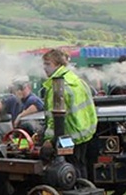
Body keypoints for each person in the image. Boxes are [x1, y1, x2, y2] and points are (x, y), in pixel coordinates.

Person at [41, 49, 97, 178]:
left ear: (58, 65)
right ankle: (85, 190)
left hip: (70, 134)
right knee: (81, 166)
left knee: (69, 169)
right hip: (85, 133)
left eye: (48, 64)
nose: (45, 68)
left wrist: (48, 140)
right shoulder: (78, 81)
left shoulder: (58, 86)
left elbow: (52, 119)